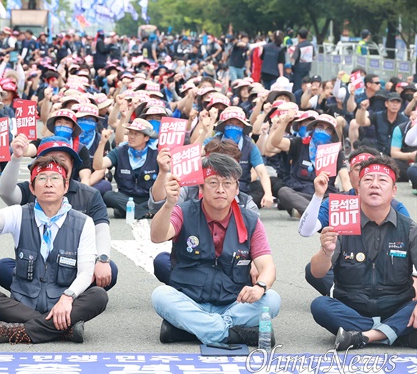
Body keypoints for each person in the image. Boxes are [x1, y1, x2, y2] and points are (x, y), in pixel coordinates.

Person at [0, 152, 109, 344]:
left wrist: (67, 298)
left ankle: (18, 332)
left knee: (98, 296)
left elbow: (86, 273)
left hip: (62, 303)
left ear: (65, 186)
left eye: (55, 178)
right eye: (42, 178)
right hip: (23, 303)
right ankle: (62, 330)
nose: (48, 183)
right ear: (32, 187)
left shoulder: (84, 222)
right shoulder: (19, 214)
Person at [150, 153, 281, 346]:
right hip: (191, 299)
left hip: (234, 303)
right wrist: (169, 203)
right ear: (201, 187)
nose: (220, 190)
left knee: (272, 300)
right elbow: (157, 236)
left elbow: (267, 267)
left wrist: (260, 287)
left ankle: (196, 329)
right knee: (160, 296)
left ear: (236, 188)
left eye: (227, 184)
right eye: (212, 183)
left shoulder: (251, 221)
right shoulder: (183, 211)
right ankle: (230, 334)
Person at [310, 156, 417, 350]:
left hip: (396, 307)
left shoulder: (408, 228)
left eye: (382, 180)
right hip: (352, 308)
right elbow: (316, 273)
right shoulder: (342, 224)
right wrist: (326, 250)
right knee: (320, 305)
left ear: (394, 191)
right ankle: (392, 334)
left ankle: (362, 337)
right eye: (368, 180)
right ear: (358, 189)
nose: (374, 184)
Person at [0, 135, 117, 292]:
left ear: (72, 164)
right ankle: (49, 295)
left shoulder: (90, 194)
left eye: (61, 158)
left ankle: (59, 293)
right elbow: (5, 192)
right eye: (49, 158)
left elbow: (101, 230)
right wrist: (16, 158)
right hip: (35, 267)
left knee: (109, 270)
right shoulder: (30, 189)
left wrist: (102, 259)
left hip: (76, 266)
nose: (56, 164)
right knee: (2, 267)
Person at [299, 147, 411, 295]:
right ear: (351, 176)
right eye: (359, 169)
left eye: (378, 176)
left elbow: (410, 246)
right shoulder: (338, 203)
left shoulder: (395, 206)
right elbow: (305, 231)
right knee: (313, 271)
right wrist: (318, 195)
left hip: (385, 269)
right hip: (349, 267)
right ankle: (340, 294)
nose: (372, 181)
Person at [270, 112, 351, 217]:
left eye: (328, 129)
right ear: (313, 128)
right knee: (284, 192)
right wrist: (284, 122)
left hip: (325, 195)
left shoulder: (336, 151)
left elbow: (345, 180)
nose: (323, 131)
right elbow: (276, 142)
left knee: (342, 197)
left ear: (332, 134)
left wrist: (352, 201)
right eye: (320, 127)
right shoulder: (299, 143)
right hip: (301, 194)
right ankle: (317, 214)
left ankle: (305, 212)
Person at [93, 118, 159, 219]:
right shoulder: (120, 151)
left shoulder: (156, 154)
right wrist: (102, 143)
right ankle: (143, 212)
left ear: (146, 137)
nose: (131, 137)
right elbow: (97, 166)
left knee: (165, 199)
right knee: (108, 195)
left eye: (136, 134)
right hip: (126, 197)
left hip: (148, 198)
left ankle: (128, 210)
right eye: (130, 133)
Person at [291, 28, 314, 92]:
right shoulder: (311, 45)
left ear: (298, 36)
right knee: (307, 85)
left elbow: (293, 58)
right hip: (307, 68)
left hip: (298, 70)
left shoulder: (299, 46)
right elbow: (314, 56)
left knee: (298, 87)